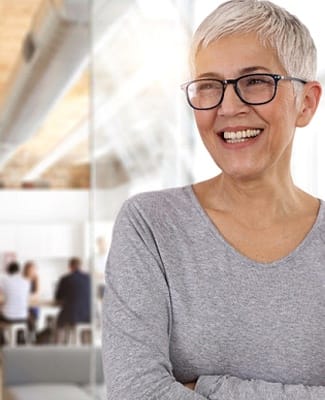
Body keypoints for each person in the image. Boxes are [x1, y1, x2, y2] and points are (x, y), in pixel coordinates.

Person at [102, 1, 325, 399]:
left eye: (255, 81)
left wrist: (212, 388)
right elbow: (135, 392)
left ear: (306, 102)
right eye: (208, 85)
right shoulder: (150, 225)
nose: (228, 107)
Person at [55, 257, 91, 342]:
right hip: (88, 315)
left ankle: (59, 347)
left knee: (59, 323)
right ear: (81, 266)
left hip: (72, 314)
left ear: (70, 267)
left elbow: (58, 297)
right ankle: (85, 344)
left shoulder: (65, 279)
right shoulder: (89, 278)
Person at [0, 261, 30, 344]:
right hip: (23, 316)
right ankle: (20, 341)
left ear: (8, 271)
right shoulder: (26, 282)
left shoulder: (4, 280)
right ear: (19, 271)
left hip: (9, 317)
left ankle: (3, 342)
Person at [23, 260, 40, 334]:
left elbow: (37, 293)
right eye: (30, 269)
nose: (32, 271)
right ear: (25, 270)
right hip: (23, 306)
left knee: (32, 315)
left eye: (33, 270)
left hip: (32, 306)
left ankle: (31, 334)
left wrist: (28, 296)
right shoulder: (22, 279)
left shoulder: (36, 279)